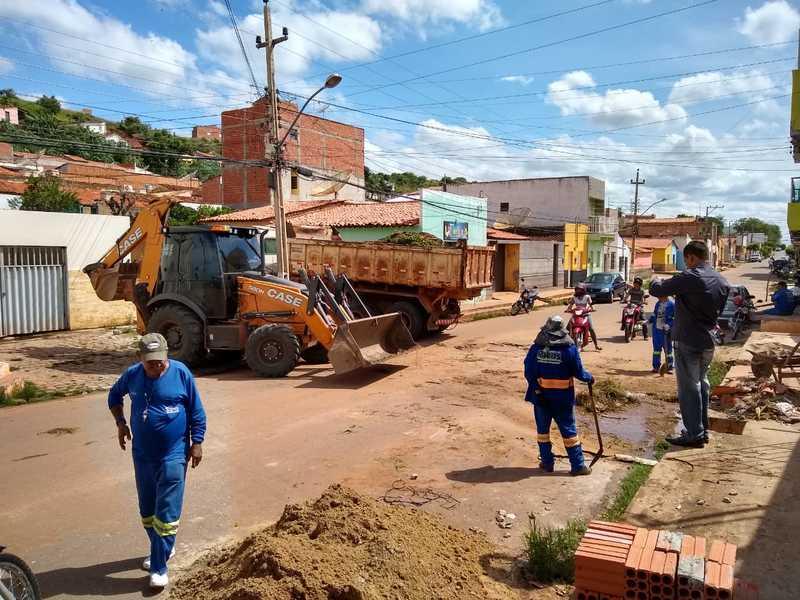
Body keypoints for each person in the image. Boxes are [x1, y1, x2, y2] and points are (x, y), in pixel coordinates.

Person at [108, 333, 207, 589]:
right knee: (147, 511)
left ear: (167, 356)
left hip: (174, 454)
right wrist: (120, 424)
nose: (156, 366)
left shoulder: (181, 373)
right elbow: (114, 396)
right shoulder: (132, 375)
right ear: (140, 359)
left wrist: (197, 442)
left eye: (160, 361)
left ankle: (160, 567)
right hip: (142, 455)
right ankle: (163, 548)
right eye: (150, 362)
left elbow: (197, 410)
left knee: (166, 511)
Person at [650, 241, 729, 447]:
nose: (686, 264)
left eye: (686, 260)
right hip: (709, 339)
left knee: (689, 388)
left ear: (692, 257)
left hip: (688, 339)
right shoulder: (721, 280)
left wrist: (655, 279)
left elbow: (657, 288)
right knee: (702, 383)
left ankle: (693, 434)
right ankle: (702, 430)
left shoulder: (691, 276)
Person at [524, 315, 594, 476]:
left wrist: (536, 389)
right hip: (562, 399)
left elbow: (528, 372)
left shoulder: (536, 349)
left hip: (541, 397)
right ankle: (577, 466)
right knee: (569, 431)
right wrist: (590, 378)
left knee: (543, 431)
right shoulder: (569, 349)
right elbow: (579, 372)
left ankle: (547, 463)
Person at [566, 284, 602, 350]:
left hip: (586, 314)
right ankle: (566, 343)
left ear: (583, 290)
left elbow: (591, 305)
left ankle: (596, 345)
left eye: (579, 289)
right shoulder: (574, 297)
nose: (578, 291)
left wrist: (592, 309)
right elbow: (570, 305)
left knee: (591, 328)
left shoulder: (587, 297)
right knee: (567, 327)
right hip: (576, 314)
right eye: (577, 289)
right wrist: (568, 309)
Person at [648, 295, 675, 374]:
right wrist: (649, 321)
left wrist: (669, 324)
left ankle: (669, 367)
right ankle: (656, 367)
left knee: (668, 350)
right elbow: (654, 314)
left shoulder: (672, 304)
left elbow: (676, 317)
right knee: (656, 350)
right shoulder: (658, 303)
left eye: (660, 296)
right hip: (657, 330)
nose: (658, 298)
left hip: (666, 332)